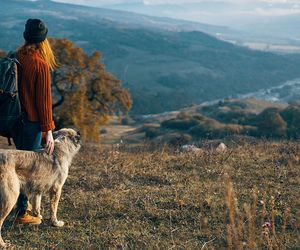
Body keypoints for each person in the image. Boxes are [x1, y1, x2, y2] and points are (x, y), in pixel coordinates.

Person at [12, 18, 56, 224]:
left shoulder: (16, 56)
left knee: (16, 164)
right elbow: (44, 102)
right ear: (42, 40)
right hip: (31, 122)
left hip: (14, 119)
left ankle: (17, 203)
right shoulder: (40, 64)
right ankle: (22, 212)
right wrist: (48, 131)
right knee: (27, 168)